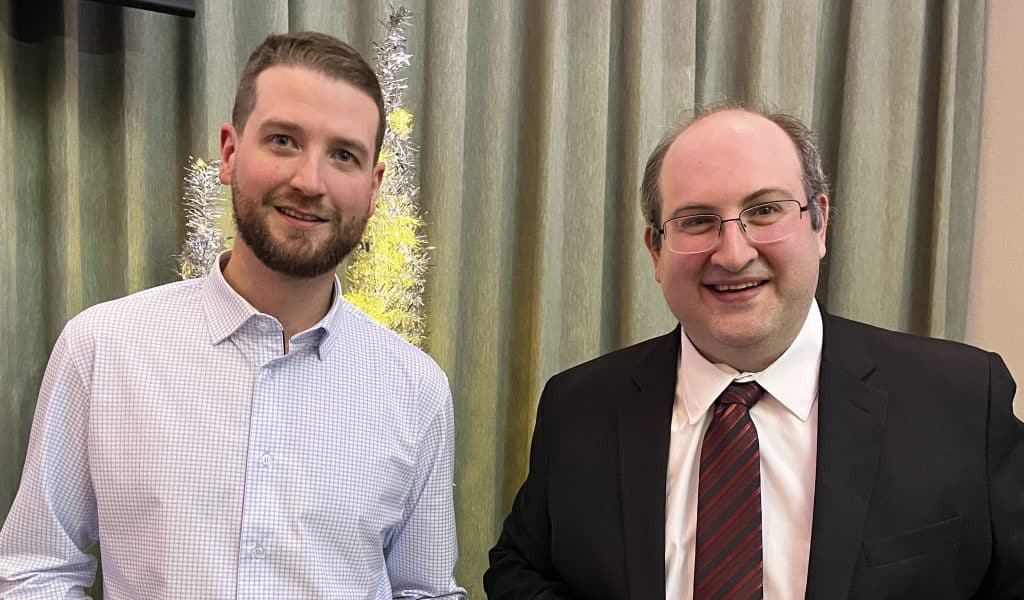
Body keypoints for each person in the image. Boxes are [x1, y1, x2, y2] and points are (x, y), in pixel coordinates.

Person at [484, 104, 1024, 599]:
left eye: (765, 210)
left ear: (819, 223)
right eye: (696, 221)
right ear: (655, 249)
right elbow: (519, 569)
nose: (734, 253)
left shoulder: (961, 402)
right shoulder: (578, 406)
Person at [0, 32, 466, 599]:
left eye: (343, 155)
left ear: (372, 189)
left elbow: (424, 591)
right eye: (283, 140)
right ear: (229, 153)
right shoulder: (101, 350)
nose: (310, 181)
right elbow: (36, 569)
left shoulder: (416, 391)